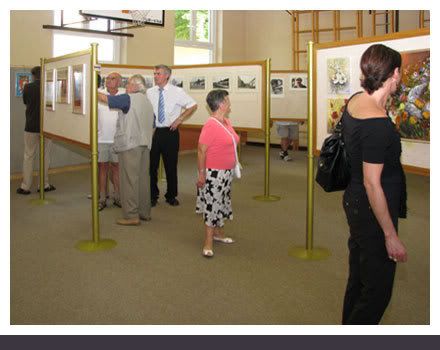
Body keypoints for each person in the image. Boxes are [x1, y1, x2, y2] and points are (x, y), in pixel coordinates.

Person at [341, 44, 407, 324]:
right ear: (394, 74)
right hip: (372, 210)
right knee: (377, 290)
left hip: (355, 202)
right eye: (399, 72)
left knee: (359, 277)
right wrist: (390, 235)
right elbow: (373, 184)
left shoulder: (355, 101)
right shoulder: (377, 124)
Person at [98, 75, 154, 226]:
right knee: (142, 180)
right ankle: (144, 212)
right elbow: (152, 124)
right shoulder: (147, 102)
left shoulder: (129, 98)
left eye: (128, 83)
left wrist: (90, 89)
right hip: (144, 146)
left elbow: (105, 99)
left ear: (136, 86)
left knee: (129, 181)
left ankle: (131, 216)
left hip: (130, 146)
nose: (126, 86)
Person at [196, 89, 239, 258]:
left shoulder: (226, 122)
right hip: (214, 173)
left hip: (226, 172)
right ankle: (208, 242)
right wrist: (201, 174)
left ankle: (219, 234)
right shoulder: (211, 125)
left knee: (222, 202)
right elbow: (201, 150)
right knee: (212, 205)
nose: (230, 104)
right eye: (227, 101)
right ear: (221, 104)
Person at [147, 64, 197, 207]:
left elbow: (193, 105)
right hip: (154, 132)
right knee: (152, 167)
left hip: (170, 132)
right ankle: (152, 195)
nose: (155, 76)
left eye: (158, 74)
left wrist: (180, 119)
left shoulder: (177, 91)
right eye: (155, 73)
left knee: (170, 166)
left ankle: (171, 195)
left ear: (167, 76)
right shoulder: (150, 92)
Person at [17, 66, 55, 195]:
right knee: (45, 157)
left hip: (31, 126)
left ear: (33, 75)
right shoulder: (50, 87)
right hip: (47, 127)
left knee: (28, 156)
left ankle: (25, 186)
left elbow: (25, 102)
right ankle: (44, 185)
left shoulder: (28, 87)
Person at [97, 72, 123, 211]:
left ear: (119, 82)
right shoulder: (98, 94)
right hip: (101, 139)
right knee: (102, 168)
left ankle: (117, 196)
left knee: (116, 168)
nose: (108, 81)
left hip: (117, 140)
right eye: (107, 78)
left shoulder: (124, 96)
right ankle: (102, 197)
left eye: (112, 79)